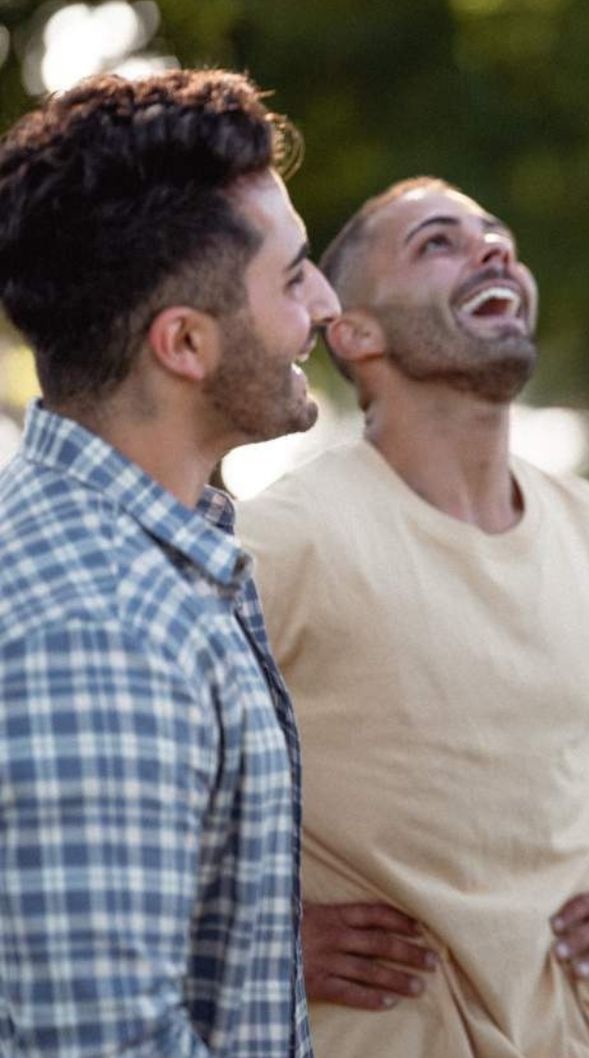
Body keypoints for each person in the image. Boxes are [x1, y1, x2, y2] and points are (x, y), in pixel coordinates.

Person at [236, 176, 589, 1058]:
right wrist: (251, 936)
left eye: (499, 240)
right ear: (355, 331)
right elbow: (112, 777)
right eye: (437, 243)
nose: (495, 252)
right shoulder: (283, 542)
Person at [0, 71, 338, 1056]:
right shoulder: (101, 627)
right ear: (183, 342)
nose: (325, 300)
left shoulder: (162, 562)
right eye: (292, 276)